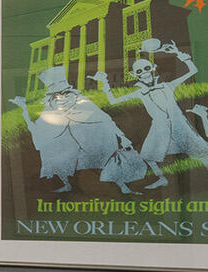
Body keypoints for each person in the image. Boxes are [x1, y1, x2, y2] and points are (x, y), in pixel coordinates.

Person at [92, 43, 208, 191]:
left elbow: (193, 70)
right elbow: (113, 101)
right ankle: (162, 179)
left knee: (201, 153)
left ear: (153, 69)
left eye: (147, 68)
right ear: (135, 75)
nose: (145, 72)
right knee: (149, 155)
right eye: (140, 71)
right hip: (160, 127)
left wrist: (179, 53)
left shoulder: (167, 85)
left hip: (180, 124)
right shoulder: (139, 92)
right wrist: (105, 84)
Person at [11, 67, 146, 194]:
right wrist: (24, 109)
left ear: (73, 94)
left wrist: (122, 137)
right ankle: (67, 184)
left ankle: (123, 187)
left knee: (108, 161)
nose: (61, 98)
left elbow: (105, 119)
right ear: (51, 98)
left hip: (92, 144)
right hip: (70, 149)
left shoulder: (83, 104)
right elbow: (38, 130)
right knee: (54, 157)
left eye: (65, 93)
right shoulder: (51, 112)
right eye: (56, 95)